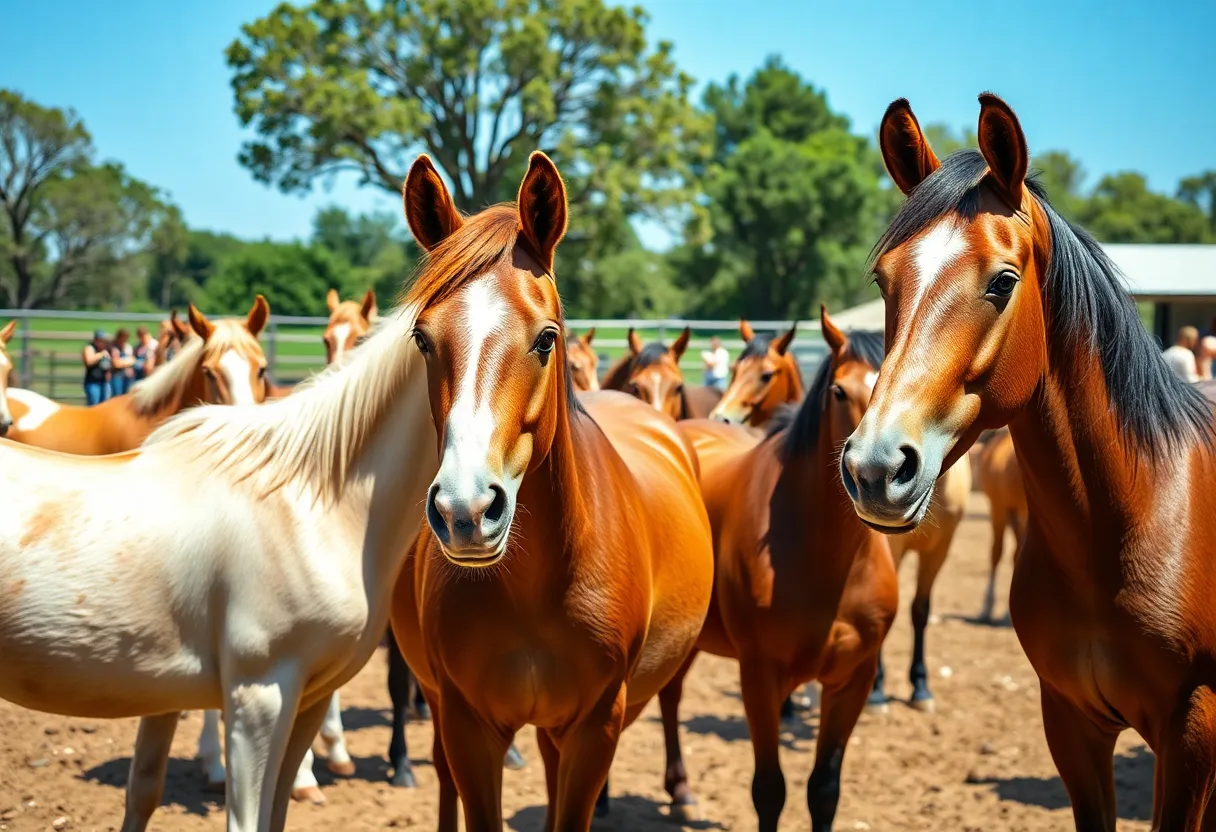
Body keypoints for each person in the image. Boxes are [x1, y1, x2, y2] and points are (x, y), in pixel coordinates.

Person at [82, 330, 112, 406]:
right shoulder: (90, 348)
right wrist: (100, 355)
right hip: (93, 382)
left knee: (105, 405)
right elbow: (89, 361)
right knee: (94, 405)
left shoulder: (106, 349)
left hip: (104, 382)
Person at [109, 328, 137, 397]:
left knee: (127, 396)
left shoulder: (128, 347)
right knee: (117, 396)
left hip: (128, 376)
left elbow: (133, 360)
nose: (124, 340)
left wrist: (121, 362)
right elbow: (115, 363)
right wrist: (127, 361)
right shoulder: (113, 347)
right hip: (117, 375)